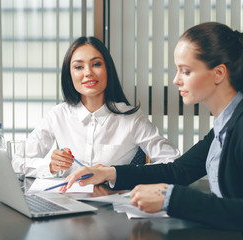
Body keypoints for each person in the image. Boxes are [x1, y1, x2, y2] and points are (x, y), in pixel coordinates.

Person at [61, 22, 243, 240]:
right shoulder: (226, 124)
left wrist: (170, 199)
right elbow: (178, 170)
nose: (176, 80)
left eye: (186, 71)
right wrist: (109, 172)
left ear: (218, 73)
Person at [13, 36, 180, 178]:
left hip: (111, 206)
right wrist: (49, 166)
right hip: (67, 204)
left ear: (108, 69)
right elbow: (18, 161)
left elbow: (172, 162)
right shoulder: (58, 115)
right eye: (79, 67)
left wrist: (117, 173)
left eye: (96, 64)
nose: (88, 73)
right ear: (69, 74)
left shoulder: (131, 118)